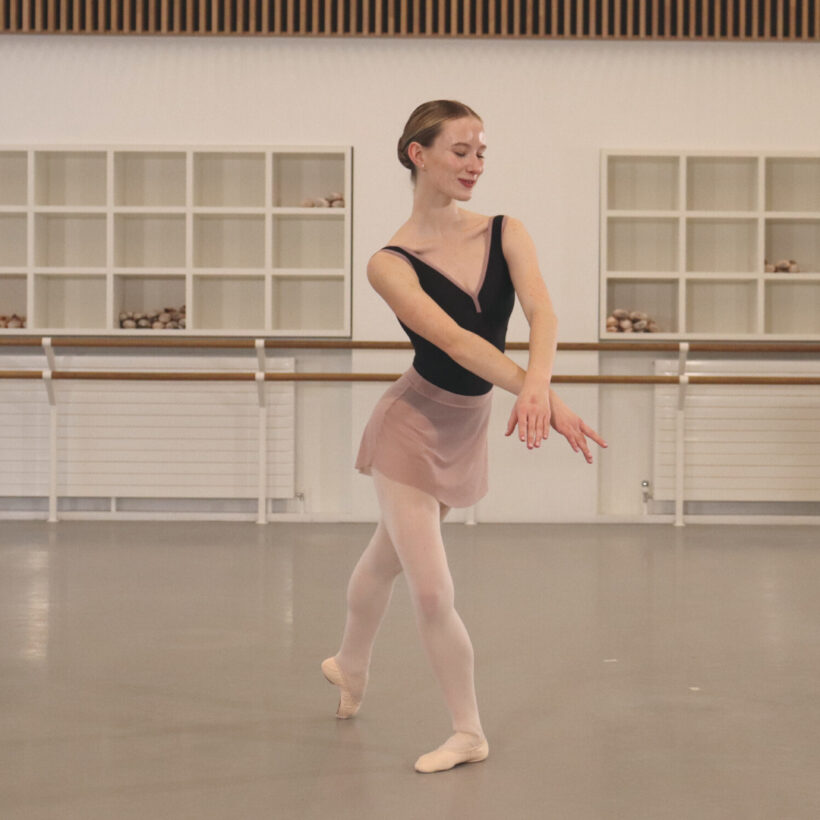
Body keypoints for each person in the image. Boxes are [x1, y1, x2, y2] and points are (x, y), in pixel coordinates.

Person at [321, 100, 607, 774]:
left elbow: (541, 309)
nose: (475, 164)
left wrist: (539, 387)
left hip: (466, 423)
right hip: (411, 424)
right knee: (430, 589)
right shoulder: (390, 262)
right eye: (460, 151)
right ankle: (468, 731)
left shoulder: (506, 231)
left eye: (482, 152)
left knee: (384, 558)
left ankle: (348, 665)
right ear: (419, 155)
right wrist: (540, 393)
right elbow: (454, 340)